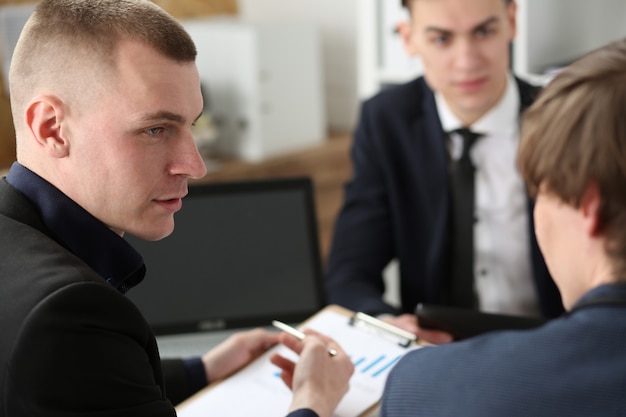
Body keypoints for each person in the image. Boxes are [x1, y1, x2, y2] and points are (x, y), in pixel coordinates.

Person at [0, 1, 353, 416]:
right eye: (155, 129)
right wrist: (313, 403)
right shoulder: (70, 314)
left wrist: (201, 370)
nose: (195, 165)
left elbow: (86, 387)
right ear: (51, 128)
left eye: (192, 125)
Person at [380, 37, 626, 416]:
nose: (465, 59)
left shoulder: (426, 388)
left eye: (542, 192)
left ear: (587, 206)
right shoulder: (387, 120)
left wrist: (307, 406)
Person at [325, 0, 563, 343]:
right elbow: (349, 273)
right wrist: (387, 323)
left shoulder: (564, 118)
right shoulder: (386, 122)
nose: (467, 61)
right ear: (408, 38)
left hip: (550, 346)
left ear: (511, 21)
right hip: (439, 355)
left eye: (484, 31)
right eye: (441, 39)